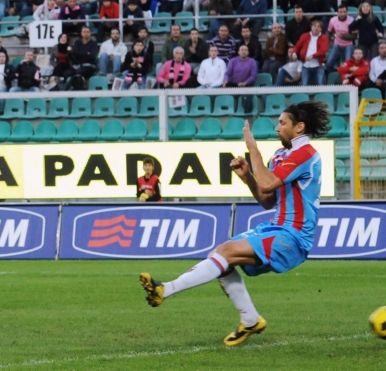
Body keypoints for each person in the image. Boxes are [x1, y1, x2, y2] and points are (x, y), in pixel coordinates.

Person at [140, 101, 331, 347]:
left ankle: (164, 290)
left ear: (299, 127)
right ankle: (250, 320)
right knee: (220, 256)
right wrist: (247, 177)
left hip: (293, 236)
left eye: (282, 123)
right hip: (276, 227)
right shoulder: (282, 156)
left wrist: (252, 149)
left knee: (224, 254)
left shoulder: (305, 154)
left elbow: (268, 183)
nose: (277, 128)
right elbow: (266, 199)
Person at [293, 20, 329, 86]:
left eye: (318, 26)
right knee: (304, 85)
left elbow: (322, 51)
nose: (316, 28)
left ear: (321, 29)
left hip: (318, 66)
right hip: (306, 65)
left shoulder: (324, 38)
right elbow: (297, 46)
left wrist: (312, 56)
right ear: (311, 27)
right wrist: (294, 53)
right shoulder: (305, 36)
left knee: (320, 85)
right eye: (314, 26)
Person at [224, 45, 258, 113]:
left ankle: (247, 113)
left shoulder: (252, 62)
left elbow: (253, 76)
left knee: (248, 95)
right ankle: (227, 110)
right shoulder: (233, 61)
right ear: (238, 52)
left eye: (245, 50)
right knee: (224, 87)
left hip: (246, 84)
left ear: (248, 52)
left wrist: (245, 82)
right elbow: (227, 73)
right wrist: (225, 80)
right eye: (242, 50)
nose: (244, 51)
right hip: (233, 84)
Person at [325, 5, 354, 72]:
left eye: (344, 12)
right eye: (340, 12)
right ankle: (335, 74)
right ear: (337, 12)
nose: (342, 14)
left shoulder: (352, 20)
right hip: (337, 44)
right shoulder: (332, 20)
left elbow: (354, 36)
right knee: (329, 64)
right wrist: (326, 43)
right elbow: (329, 32)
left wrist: (342, 36)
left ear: (347, 12)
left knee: (348, 64)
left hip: (348, 45)